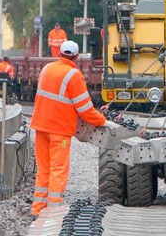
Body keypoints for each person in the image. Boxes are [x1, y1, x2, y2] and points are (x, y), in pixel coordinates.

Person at [29, 40, 119, 216]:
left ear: (59, 53)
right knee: (58, 170)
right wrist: (104, 122)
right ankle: (53, 210)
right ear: (76, 57)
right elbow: (85, 110)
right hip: (59, 130)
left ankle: (38, 209)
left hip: (40, 126)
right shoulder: (73, 75)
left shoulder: (46, 69)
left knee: (43, 169)